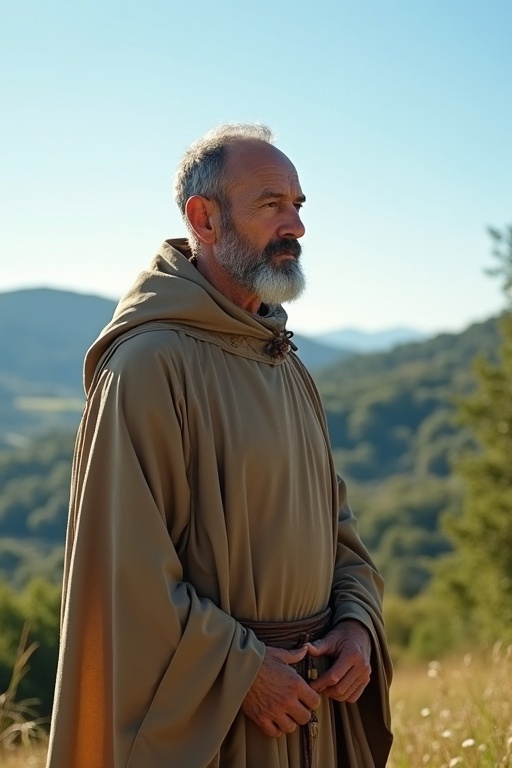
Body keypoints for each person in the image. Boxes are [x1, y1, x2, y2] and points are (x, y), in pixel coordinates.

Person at [46, 123, 393, 768]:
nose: (296, 225)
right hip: (222, 723)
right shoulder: (149, 363)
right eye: (270, 204)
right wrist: (243, 673)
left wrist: (355, 626)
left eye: (298, 205)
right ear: (202, 217)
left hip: (316, 710)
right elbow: (125, 576)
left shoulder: (285, 363)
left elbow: (337, 527)